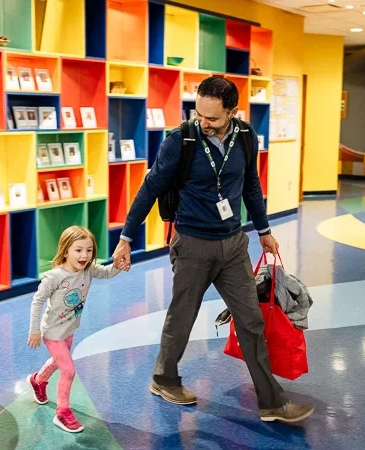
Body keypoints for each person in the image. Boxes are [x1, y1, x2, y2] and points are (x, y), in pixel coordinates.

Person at [112, 77, 313, 424]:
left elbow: (251, 183)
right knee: (182, 316)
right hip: (192, 244)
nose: (204, 123)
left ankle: (272, 402)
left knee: (251, 320)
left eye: (214, 119)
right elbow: (150, 188)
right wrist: (127, 238)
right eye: (199, 114)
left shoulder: (246, 136)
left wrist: (263, 230)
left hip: (234, 244)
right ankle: (165, 378)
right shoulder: (181, 140)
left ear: (233, 112)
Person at [28, 226, 121, 433]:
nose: (84, 255)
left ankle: (38, 380)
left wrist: (119, 264)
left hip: (69, 328)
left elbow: (106, 273)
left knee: (58, 361)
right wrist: (34, 330)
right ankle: (62, 413)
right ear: (65, 250)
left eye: (89, 250)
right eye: (78, 250)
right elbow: (38, 301)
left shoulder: (87, 269)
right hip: (52, 331)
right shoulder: (54, 276)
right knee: (68, 369)